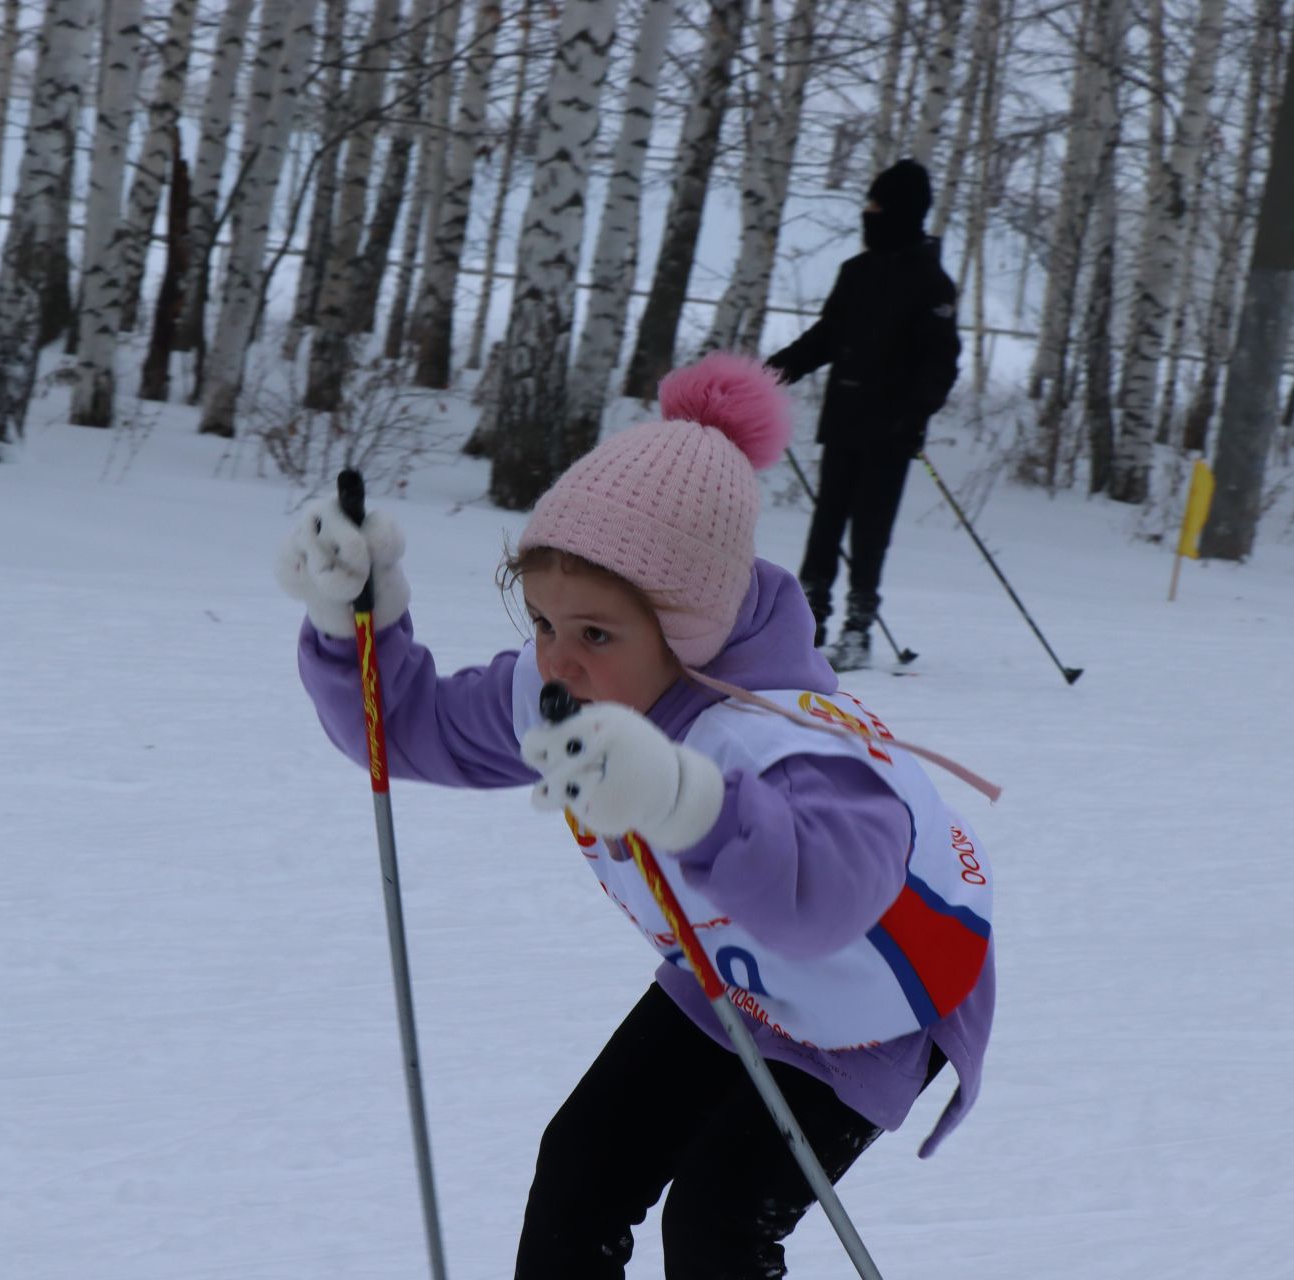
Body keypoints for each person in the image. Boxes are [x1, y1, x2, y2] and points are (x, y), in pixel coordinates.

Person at [278, 353, 995, 1280]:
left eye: (595, 634)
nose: (558, 663)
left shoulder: (786, 741)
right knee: (578, 1170)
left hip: (870, 1004)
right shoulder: (571, 684)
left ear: (687, 630)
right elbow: (410, 730)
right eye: (541, 621)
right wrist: (352, 627)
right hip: (729, 976)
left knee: (717, 1222)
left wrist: (682, 800)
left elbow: (826, 894)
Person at [765, 158, 961, 673]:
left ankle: (857, 628)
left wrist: (915, 414)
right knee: (825, 528)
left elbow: (941, 362)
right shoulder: (857, 272)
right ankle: (808, 624)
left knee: (870, 531)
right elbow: (825, 338)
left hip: (892, 432)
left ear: (901, 212)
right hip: (845, 422)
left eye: (877, 206)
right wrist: (769, 375)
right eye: (867, 205)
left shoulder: (932, 283)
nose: (867, 214)